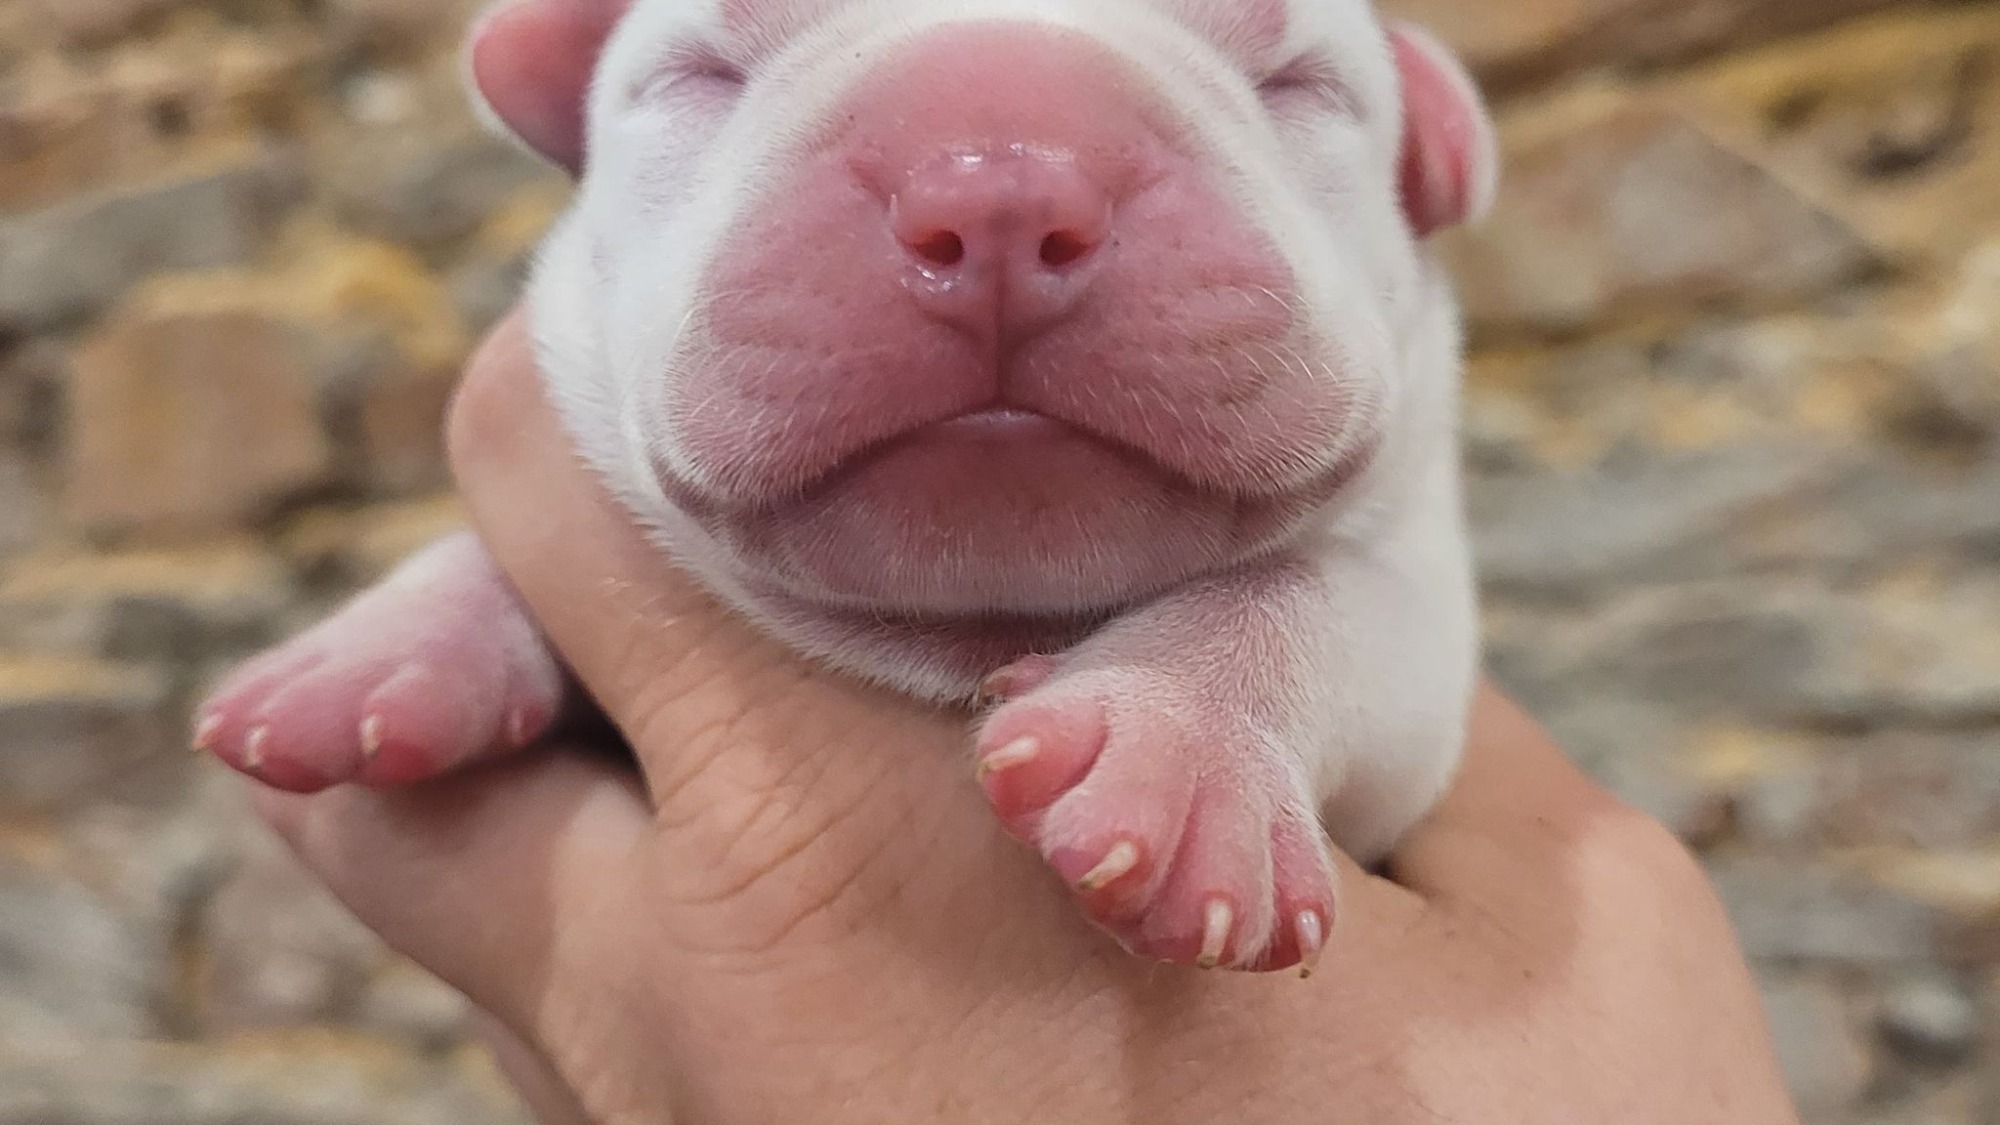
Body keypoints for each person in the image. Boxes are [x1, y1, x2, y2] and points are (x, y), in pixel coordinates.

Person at [244, 8, 1805, 1120]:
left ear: (1425, 171)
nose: (999, 203)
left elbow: (1389, 654)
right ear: (569, 96)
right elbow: (583, 507)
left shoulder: (1359, 573)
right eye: (723, 70)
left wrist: (1242, 684)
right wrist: (490, 601)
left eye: (1281, 88)